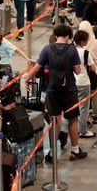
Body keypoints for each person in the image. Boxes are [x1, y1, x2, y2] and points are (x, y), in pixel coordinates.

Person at [24, 24, 87, 162]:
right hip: (69, 90)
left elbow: (37, 68)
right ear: (68, 36)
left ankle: (52, 153)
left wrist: (27, 79)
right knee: (72, 119)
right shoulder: (72, 50)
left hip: (52, 90)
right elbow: (77, 70)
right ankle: (75, 150)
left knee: (54, 120)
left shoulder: (47, 49)